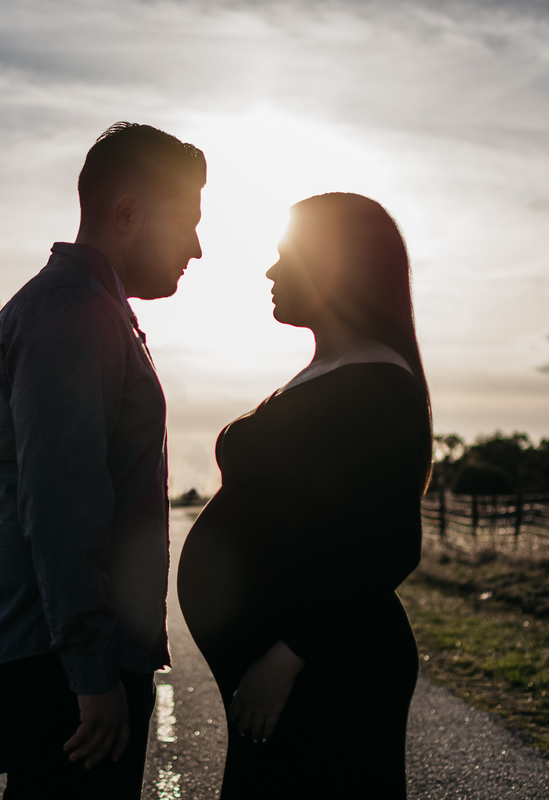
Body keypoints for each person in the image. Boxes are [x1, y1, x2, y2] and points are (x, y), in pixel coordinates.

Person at [0, 122, 205, 799]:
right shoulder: (74, 314)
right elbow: (62, 505)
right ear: (127, 213)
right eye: (185, 222)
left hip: (58, 657)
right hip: (57, 666)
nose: (196, 247)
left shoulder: (89, 309)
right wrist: (92, 671)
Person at [177, 192, 432, 798]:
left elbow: (390, 543)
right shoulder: (331, 372)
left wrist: (287, 657)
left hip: (326, 673)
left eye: (285, 256)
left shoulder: (378, 385)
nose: (270, 271)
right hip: (294, 672)